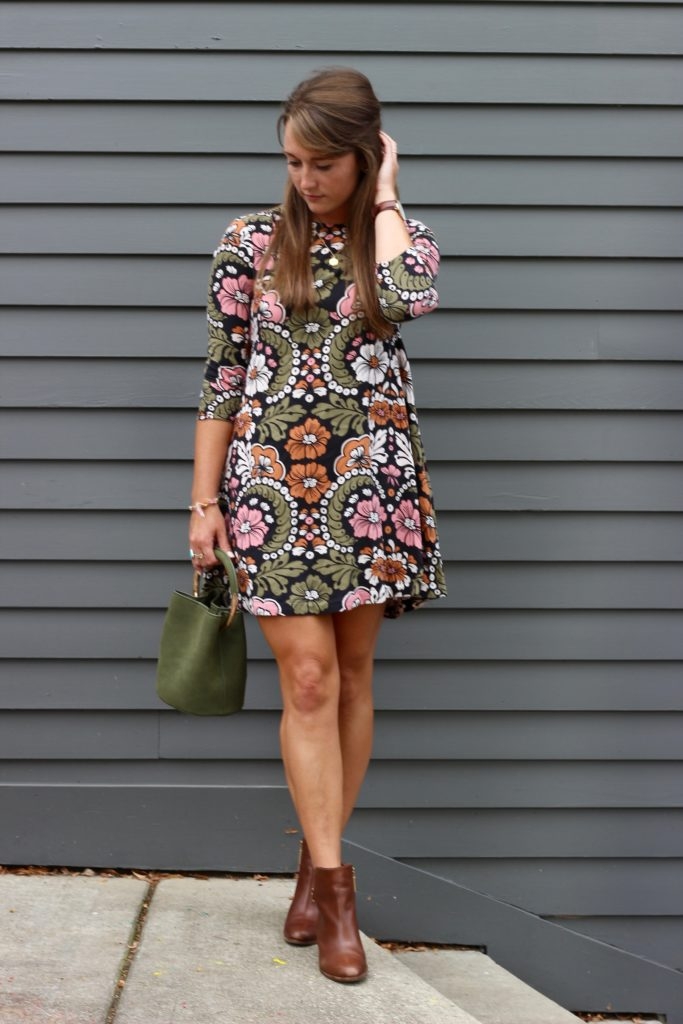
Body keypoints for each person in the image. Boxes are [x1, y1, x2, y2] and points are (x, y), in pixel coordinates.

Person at [188, 67, 446, 984]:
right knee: (306, 681)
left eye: (324, 163)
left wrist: (384, 198)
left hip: (368, 488)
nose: (304, 179)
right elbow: (222, 373)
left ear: (363, 156)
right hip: (270, 489)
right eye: (292, 162)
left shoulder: (392, 242)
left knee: (351, 673)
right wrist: (205, 500)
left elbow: (414, 296)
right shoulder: (248, 243)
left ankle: (312, 859)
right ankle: (336, 891)